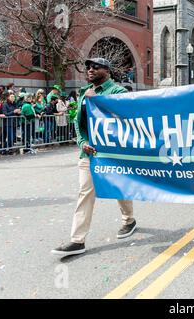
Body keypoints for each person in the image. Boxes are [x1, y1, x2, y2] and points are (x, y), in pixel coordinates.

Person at [51, 57, 137, 257]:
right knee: (85, 193)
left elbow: (123, 115)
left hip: (112, 154)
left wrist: (94, 101)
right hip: (88, 154)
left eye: (95, 67)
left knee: (117, 188)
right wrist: (82, 143)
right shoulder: (84, 93)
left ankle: (129, 220)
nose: (90, 69)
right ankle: (77, 240)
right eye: (88, 67)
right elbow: (77, 123)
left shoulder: (117, 92)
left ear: (107, 71)